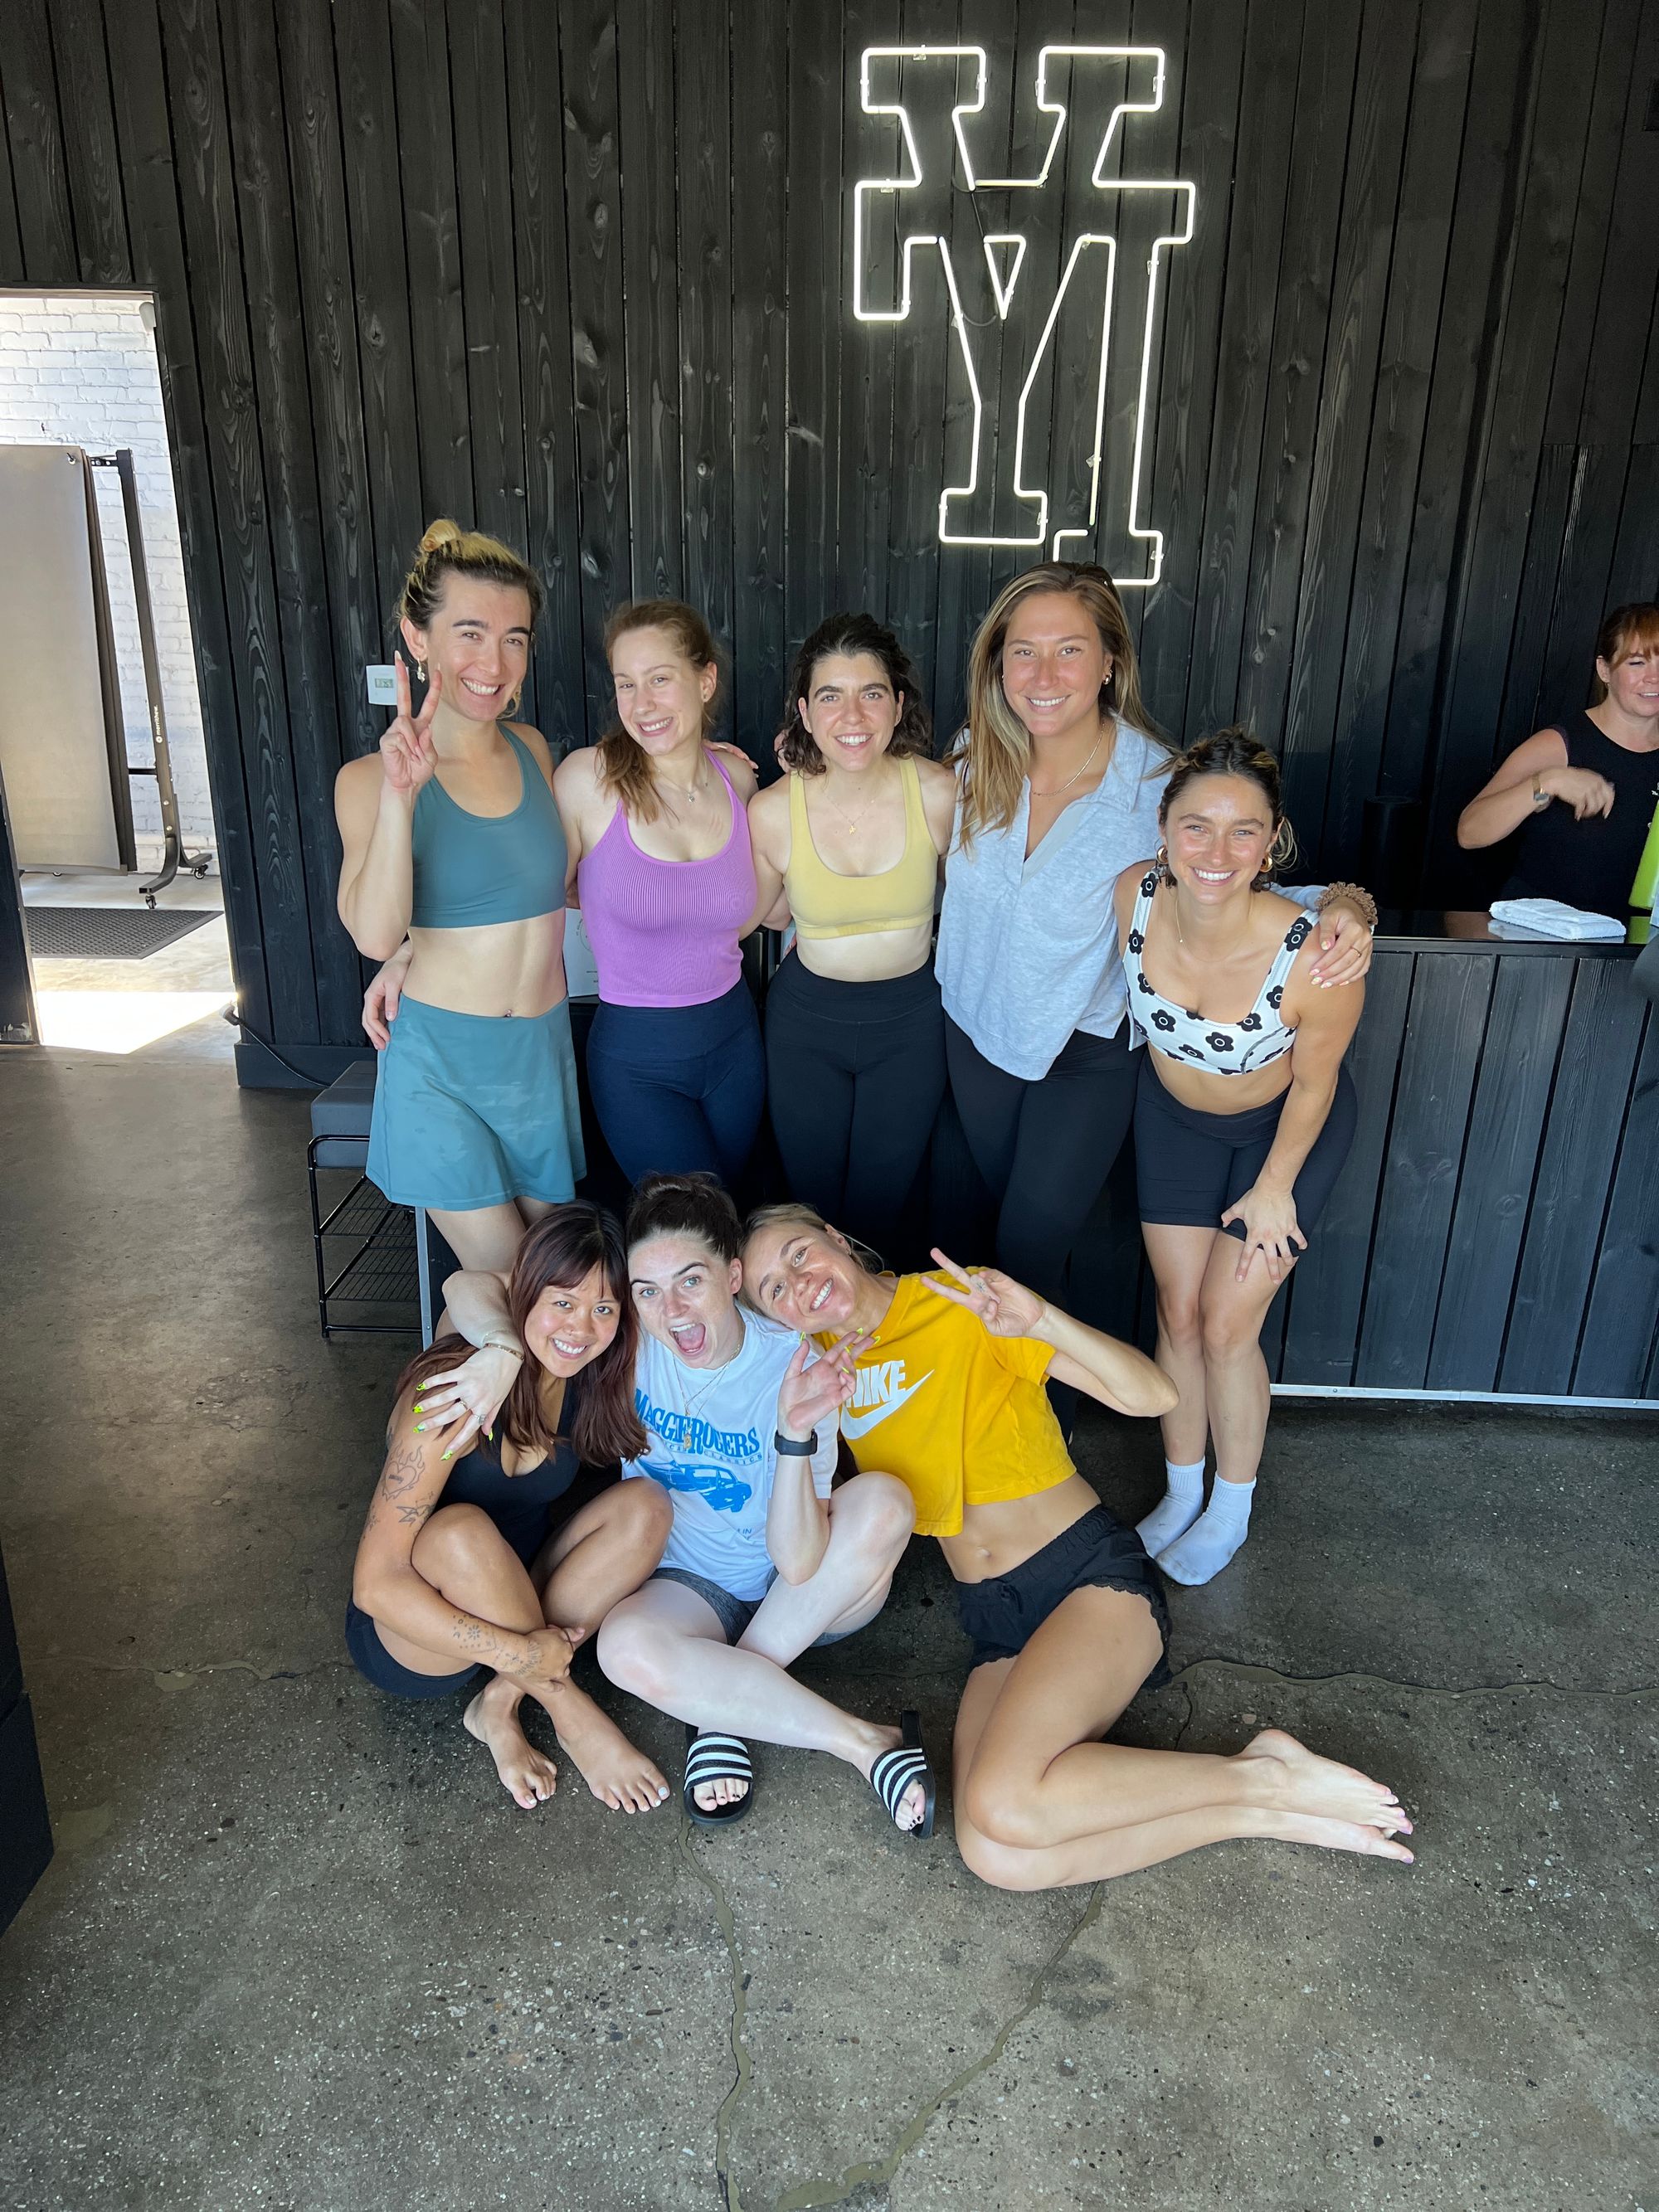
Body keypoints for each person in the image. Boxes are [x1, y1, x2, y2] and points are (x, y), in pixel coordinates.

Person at [742, 1207, 1413, 1891]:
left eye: (799, 1254)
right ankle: (1255, 1809)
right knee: (994, 1853)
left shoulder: (960, 1301)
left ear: (835, 1238)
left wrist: (1041, 1321)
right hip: (994, 1618)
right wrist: (793, 1426)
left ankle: (1263, 1776)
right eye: (774, 1289)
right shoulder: (817, 1373)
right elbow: (800, 1553)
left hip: (1085, 1579)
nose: (799, 1282)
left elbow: (1156, 1395)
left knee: (1004, 1802)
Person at [422, 1174, 931, 1834]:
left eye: (692, 1280)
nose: (673, 1310)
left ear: (733, 1275)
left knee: (885, 1501)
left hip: (804, 1596)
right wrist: (502, 1344)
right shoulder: (629, 1338)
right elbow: (466, 1286)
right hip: (689, 1589)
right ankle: (864, 1742)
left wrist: (793, 1432)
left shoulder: (793, 1361)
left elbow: (800, 1564)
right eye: (648, 1291)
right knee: (622, 1649)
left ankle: (719, 1713)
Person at [934, 562, 1376, 1314]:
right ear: (998, 664)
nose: (1044, 674)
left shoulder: (1151, 787)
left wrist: (1347, 906)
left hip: (1083, 1053)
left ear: (1110, 662)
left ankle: (1060, 1397)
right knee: (996, 1240)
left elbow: (1236, 875)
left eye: (1070, 650)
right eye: (1023, 651)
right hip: (974, 1033)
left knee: (1027, 1256)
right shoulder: (976, 756)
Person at [1112, 733, 1368, 1585]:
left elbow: (1315, 1087)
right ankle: (1180, 1489)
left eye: (1243, 830)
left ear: (1271, 841)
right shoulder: (1133, 896)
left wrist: (1274, 1188)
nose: (1216, 852)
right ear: (1163, 828)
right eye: (1196, 826)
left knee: (1227, 1324)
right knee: (1178, 1313)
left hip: (1283, 1133)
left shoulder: (1316, 957)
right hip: (1172, 1119)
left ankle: (1229, 1505)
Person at [346, 1203, 674, 1815]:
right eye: (563, 1301)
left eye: (604, 1308)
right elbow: (375, 1585)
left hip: (520, 1593)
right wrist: (523, 1655)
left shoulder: (585, 1372)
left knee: (646, 1506)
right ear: (522, 1292)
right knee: (460, 1532)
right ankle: (571, 1712)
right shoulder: (452, 1391)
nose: (582, 1327)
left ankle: (497, 1704)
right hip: (419, 1631)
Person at [334, 520, 581, 1271]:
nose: (493, 662)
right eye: (469, 633)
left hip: (538, 1057)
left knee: (553, 1283)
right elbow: (373, 934)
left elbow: (526, 893)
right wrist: (402, 796)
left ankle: (460, 1338)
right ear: (418, 638)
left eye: (514, 638)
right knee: (521, 1285)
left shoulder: (534, 750)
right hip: (440, 1067)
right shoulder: (367, 781)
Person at [747, 613, 957, 1251]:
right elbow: (764, 914)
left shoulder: (939, 793)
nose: (853, 715)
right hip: (806, 1025)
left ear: (898, 705)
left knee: (881, 1207)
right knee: (811, 1209)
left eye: (871, 693)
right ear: (805, 713)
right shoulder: (773, 809)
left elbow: (973, 906)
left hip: (911, 1022)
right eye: (831, 697)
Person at [559, 601, 765, 1184]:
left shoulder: (739, 781)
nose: (642, 703)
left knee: (732, 1211)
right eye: (626, 684)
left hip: (735, 1045)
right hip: (636, 1060)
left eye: (659, 679)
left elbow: (749, 906)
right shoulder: (586, 781)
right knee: (687, 1225)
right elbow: (530, 895)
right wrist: (410, 952)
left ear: (705, 681)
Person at [1457, 601, 1659, 907]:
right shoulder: (1559, 745)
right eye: (1637, 663)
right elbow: (1470, 832)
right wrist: (1548, 782)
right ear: (1605, 670)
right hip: (1543, 933)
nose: (1653, 677)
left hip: (1636, 935)